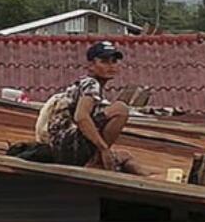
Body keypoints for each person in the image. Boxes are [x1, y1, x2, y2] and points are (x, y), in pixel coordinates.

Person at [45, 40, 145, 174]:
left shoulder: (89, 86)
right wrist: (104, 149)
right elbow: (81, 117)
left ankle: (151, 178)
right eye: (104, 61)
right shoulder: (91, 84)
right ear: (91, 65)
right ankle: (95, 162)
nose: (111, 66)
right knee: (120, 109)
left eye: (114, 61)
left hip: (63, 147)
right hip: (68, 146)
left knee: (125, 156)